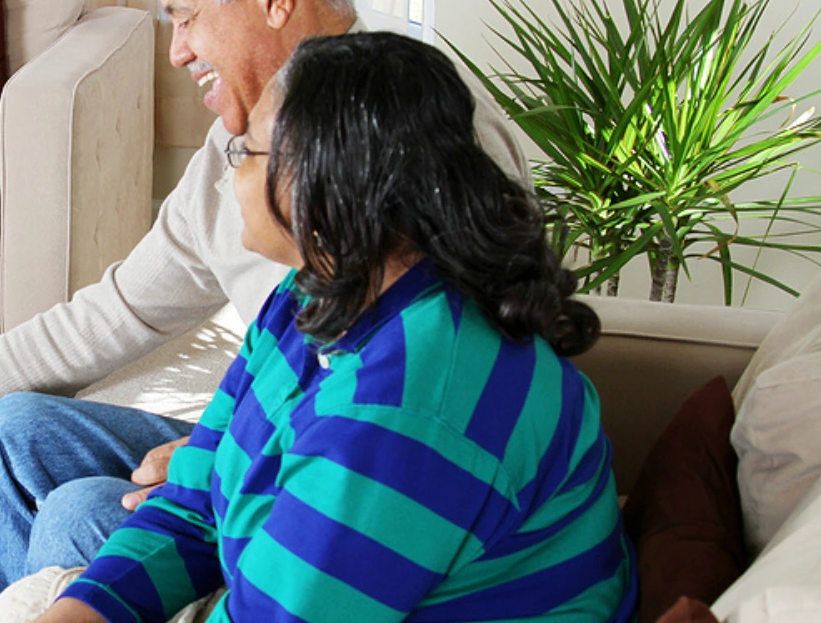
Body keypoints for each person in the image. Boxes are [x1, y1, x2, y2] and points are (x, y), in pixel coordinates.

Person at [0, 0, 529, 618]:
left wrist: (236, 464)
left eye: (185, 17)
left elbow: (450, 396)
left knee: (78, 515)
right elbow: (110, 316)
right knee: (10, 433)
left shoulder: (425, 133)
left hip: (359, 470)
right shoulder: (269, 256)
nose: (177, 50)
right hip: (285, 436)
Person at [36, 31, 637, 622]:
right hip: (292, 591)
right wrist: (80, 610)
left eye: (246, 152)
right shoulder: (314, 293)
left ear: (326, 185)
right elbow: (197, 498)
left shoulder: (406, 408)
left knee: (65, 532)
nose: (229, 173)